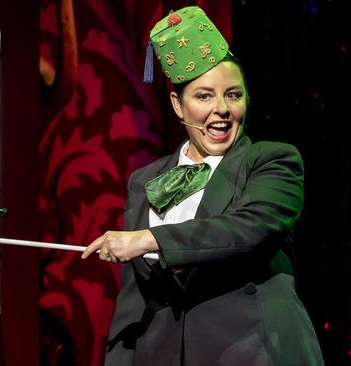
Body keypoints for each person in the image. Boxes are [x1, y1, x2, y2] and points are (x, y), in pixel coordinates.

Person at [81, 6, 324, 365]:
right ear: (178, 106)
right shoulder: (145, 180)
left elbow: (246, 230)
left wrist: (147, 239)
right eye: (204, 96)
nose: (222, 109)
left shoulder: (273, 161)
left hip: (256, 352)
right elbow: (134, 301)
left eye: (234, 95)